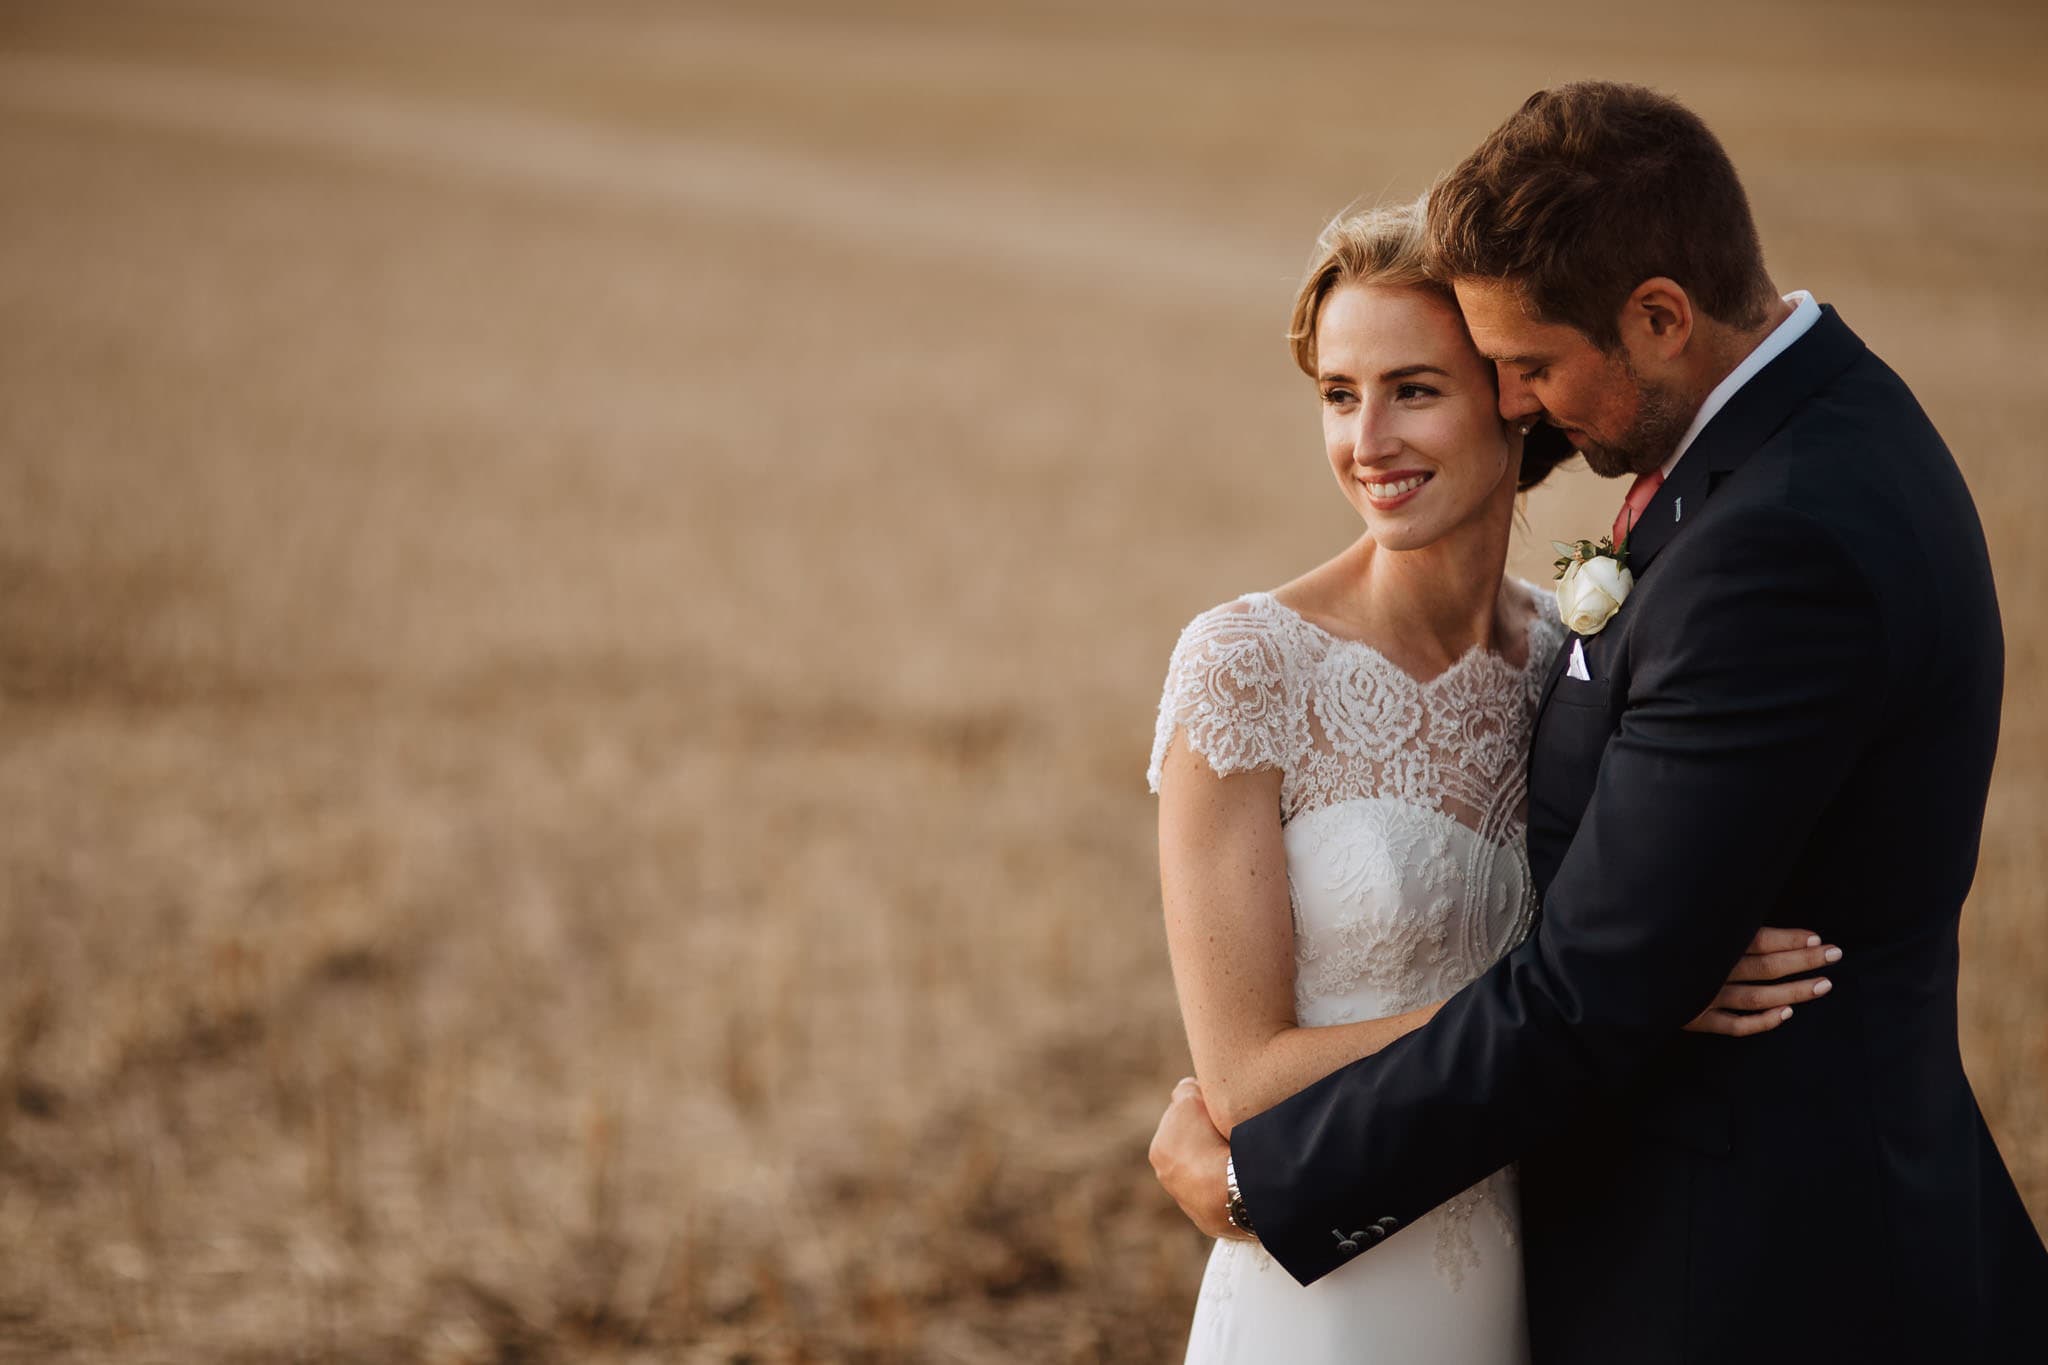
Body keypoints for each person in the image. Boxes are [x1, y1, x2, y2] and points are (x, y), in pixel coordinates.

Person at [1149, 82, 2048, 1363]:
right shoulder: (1805, 447)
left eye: (1497, 371)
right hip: (1429, 1271)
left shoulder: (1752, 543)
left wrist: (1259, 1185)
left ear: (1659, 318)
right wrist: (1638, 985)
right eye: (1336, 393)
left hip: (1745, 1267)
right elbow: (1594, 979)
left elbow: (1593, 987)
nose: (1522, 405)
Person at [1146, 197, 1839, 1362]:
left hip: (1556, 1273)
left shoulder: (1575, 660)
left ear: (1512, 399)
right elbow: (1248, 1084)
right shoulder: (1245, 664)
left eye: (1411, 389)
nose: (1365, 440)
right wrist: (1622, 1000)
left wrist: (1638, 989)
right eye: (1335, 393)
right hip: (1334, 1295)